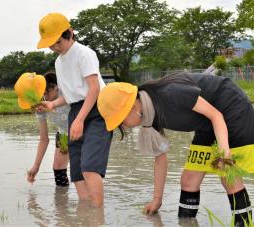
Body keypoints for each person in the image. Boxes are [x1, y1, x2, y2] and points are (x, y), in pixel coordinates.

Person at [97, 73, 254, 226]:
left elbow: (216, 116)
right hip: (205, 123)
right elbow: (160, 157)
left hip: (230, 110)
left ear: (131, 108)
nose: (123, 126)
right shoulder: (149, 115)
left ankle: (243, 224)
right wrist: (157, 200)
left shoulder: (170, 93)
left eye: (120, 122)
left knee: (228, 176)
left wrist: (224, 154)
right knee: (188, 179)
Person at [36, 13, 113, 207]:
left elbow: (94, 88)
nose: (54, 48)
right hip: (76, 110)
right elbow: (70, 96)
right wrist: (53, 104)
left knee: (89, 168)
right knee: (77, 171)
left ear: (70, 33)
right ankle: (85, 216)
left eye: (57, 42)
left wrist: (79, 119)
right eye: (51, 45)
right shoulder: (58, 62)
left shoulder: (84, 53)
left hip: (97, 110)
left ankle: (97, 217)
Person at [27, 72, 70, 187]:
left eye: (47, 93)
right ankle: (62, 200)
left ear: (56, 87)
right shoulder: (40, 106)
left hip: (83, 131)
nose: (45, 97)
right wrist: (36, 166)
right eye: (42, 94)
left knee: (84, 168)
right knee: (58, 168)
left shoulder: (68, 93)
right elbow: (44, 139)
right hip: (64, 135)